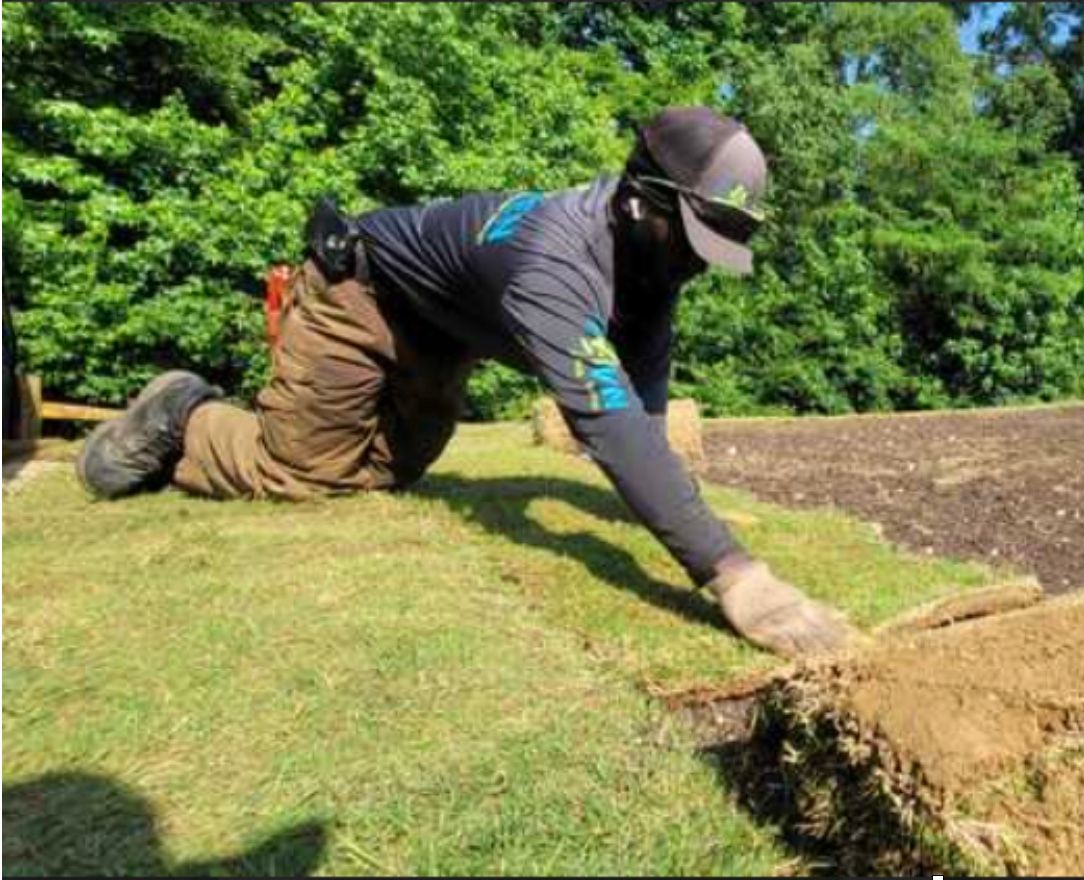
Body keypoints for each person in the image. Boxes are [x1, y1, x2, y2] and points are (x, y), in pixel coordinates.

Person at [76, 107, 853, 658]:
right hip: (365, 297)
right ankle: (186, 410)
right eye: (693, 240)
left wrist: (658, 491)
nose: (696, 263)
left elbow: (643, 380)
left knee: (386, 475)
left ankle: (264, 430)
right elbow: (606, 419)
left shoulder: (654, 260)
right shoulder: (553, 261)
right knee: (302, 474)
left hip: (441, 340)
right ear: (639, 201)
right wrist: (733, 571)